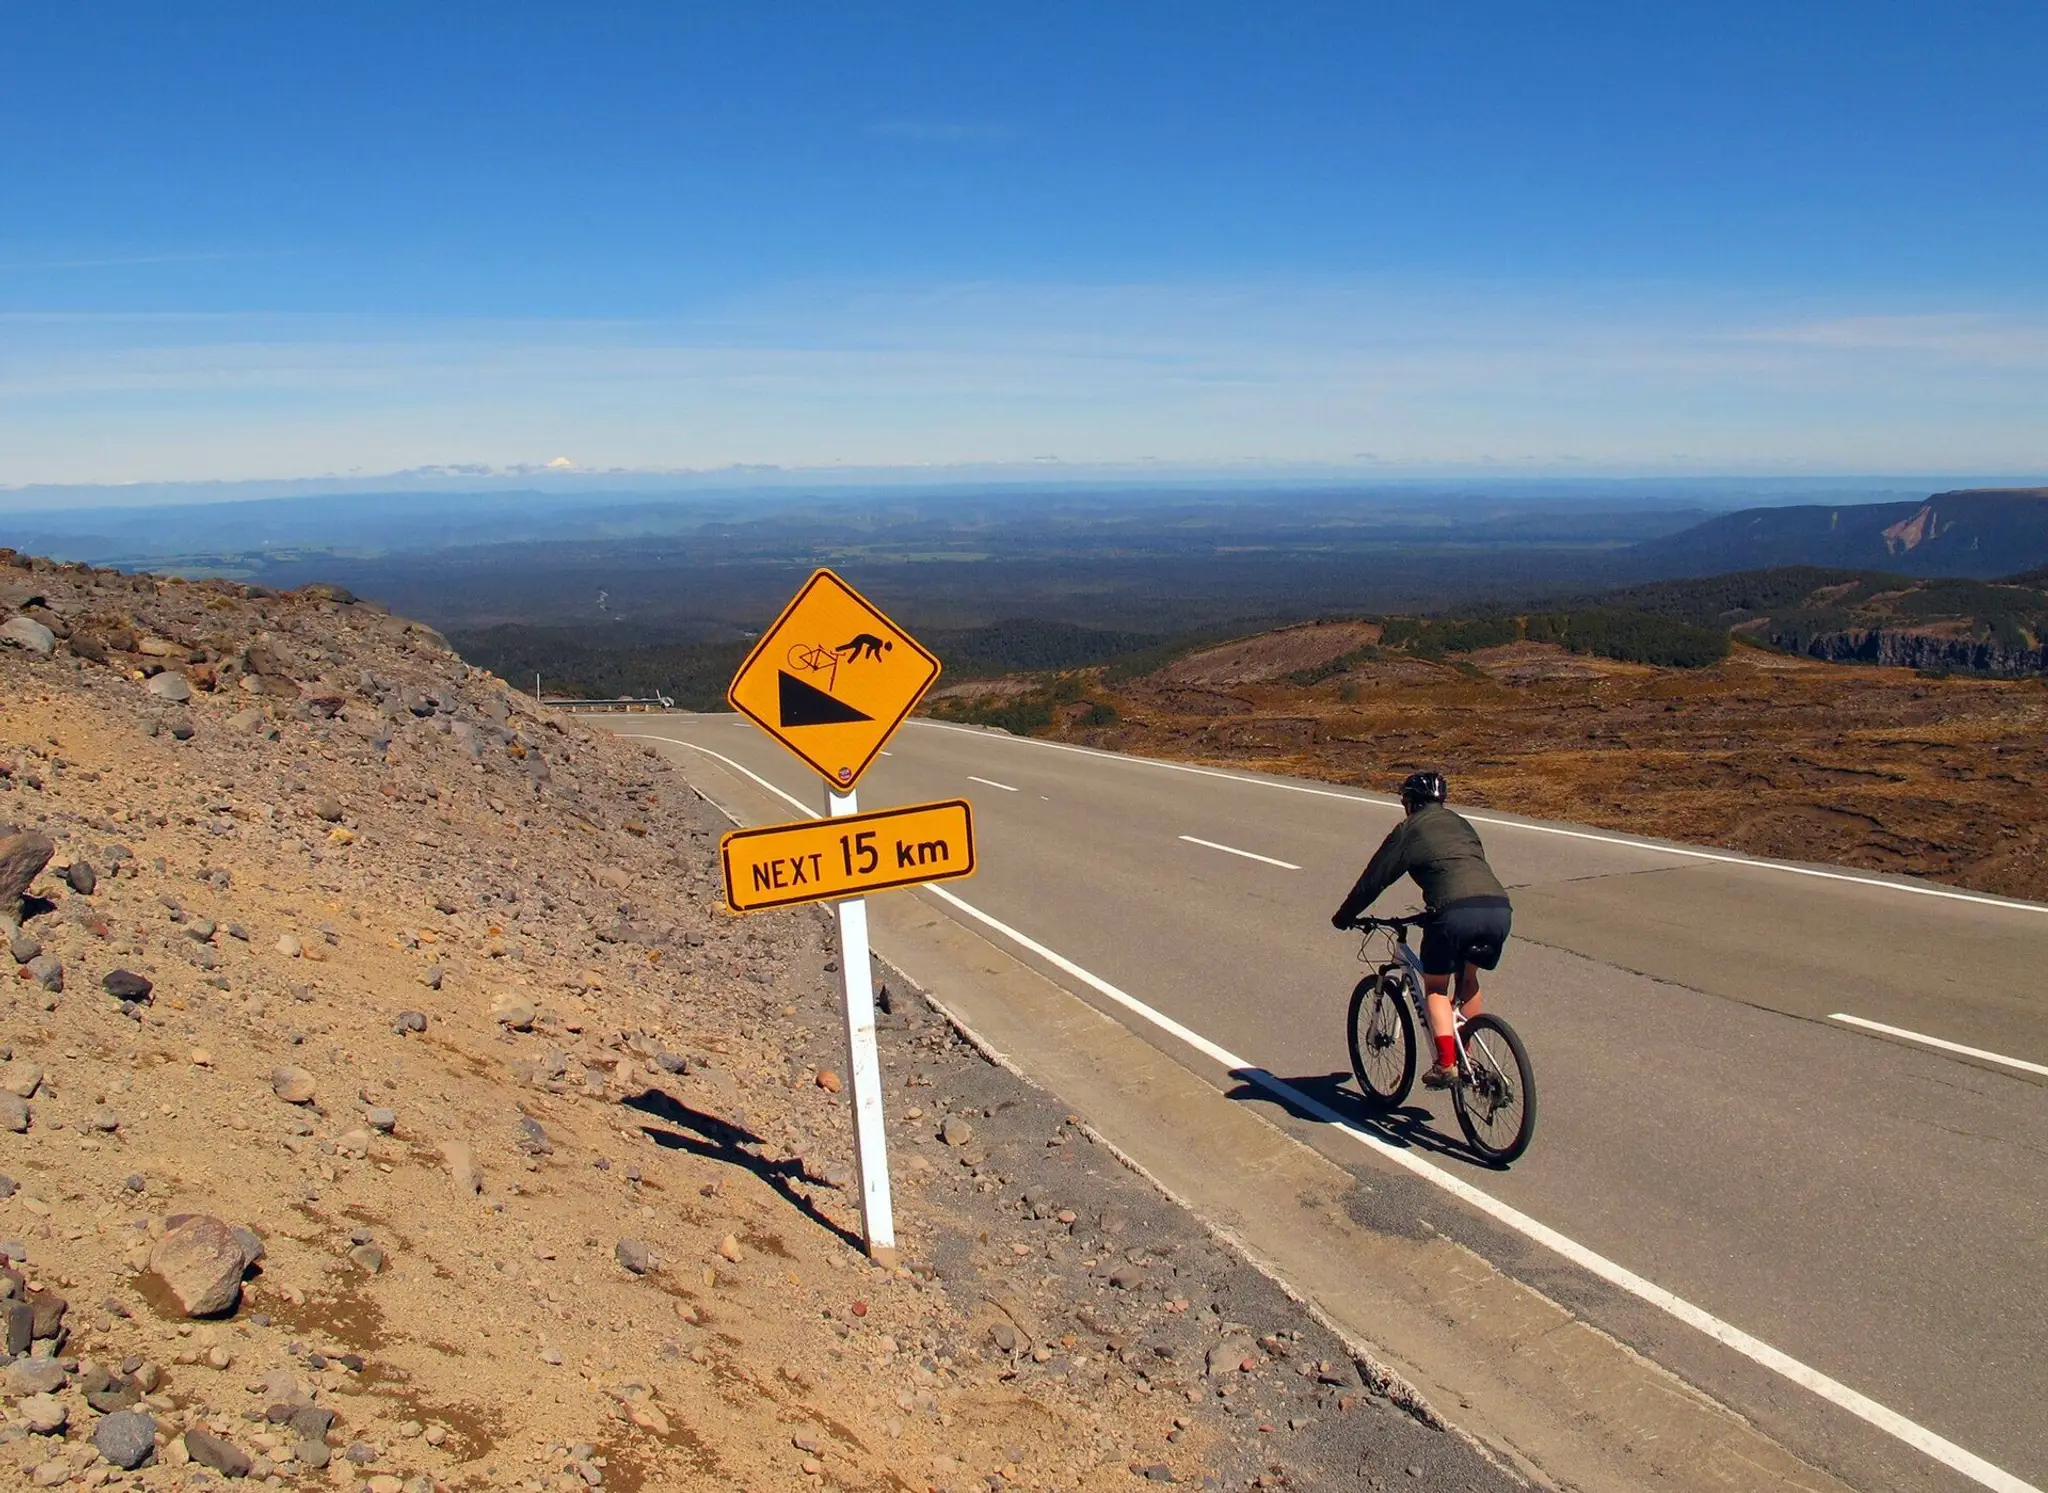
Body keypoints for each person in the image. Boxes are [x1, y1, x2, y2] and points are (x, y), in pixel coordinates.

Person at [1331, 771, 1512, 1088]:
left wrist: (1345, 916)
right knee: (1468, 977)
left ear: (1410, 803)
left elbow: (1375, 878)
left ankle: (1446, 1064)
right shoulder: (1461, 823)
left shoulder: (1409, 829)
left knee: (1436, 988)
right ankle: (1465, 1053)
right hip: (1497, 907)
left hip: (1453, 912)